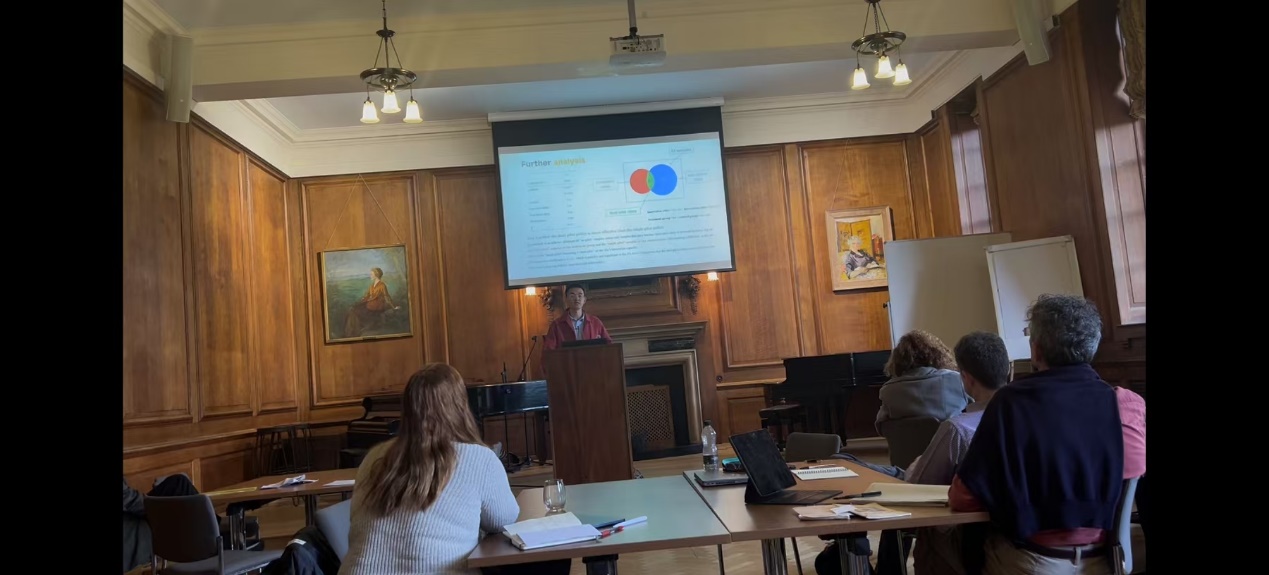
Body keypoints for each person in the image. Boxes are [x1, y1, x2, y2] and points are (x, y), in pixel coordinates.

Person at [949, 294, 1146, 575]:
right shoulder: (1127, 405)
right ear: (1093, 347)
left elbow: (964, 498)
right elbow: (1130, 479)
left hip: (1033, 562)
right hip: (1110, 560)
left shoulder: (1010, 403)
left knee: (948, 542)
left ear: (1036, 351)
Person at [339, 363, 569, 575]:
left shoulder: (374, 457)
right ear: (459, 406)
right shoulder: (479, 458)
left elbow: (355, 517)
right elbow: (504, 519)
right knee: (552, 561)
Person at [815, 331, 1013, 575]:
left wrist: (917, 460)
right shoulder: (1022, 419)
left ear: (967, 378)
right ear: (1007, 370)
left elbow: (909, 469)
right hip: (989, 514)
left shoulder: (953, 428)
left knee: (852, 467)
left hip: (923, 482)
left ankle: (868, 558)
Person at [875, 330, 970, 431]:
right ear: (937, 355)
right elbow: (978, 411)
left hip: (908, 441)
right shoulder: (956, 379)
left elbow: (882, 427)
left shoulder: (887, 391)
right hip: (951, 440)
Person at [122, 474, 200, 573]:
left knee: (179, 484)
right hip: (129, 511)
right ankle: (214, 536)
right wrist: (155, 505)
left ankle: (212, 534)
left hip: (131, 506)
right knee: (180, 487)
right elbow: (127, 499)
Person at [541, 284, 612, 351]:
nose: (576, 299)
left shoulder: (595, 322)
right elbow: (549, 351)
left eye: (580, 295)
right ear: (566, 299)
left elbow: (608, 345)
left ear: (584, 300)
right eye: (572, 296)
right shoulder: (556, 325)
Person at [343, 267, 400, 337]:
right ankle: (352, 331)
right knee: (353, 310)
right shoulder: (372, 285)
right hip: (370, 304)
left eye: (371, 274)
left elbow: (387, 297)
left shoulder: (382, 285)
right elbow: (366, 296)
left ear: (376, 275)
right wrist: (359, 302)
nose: (370, 275)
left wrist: (393, 307)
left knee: (356, 311)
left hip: (376, 306)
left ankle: (353, 331)